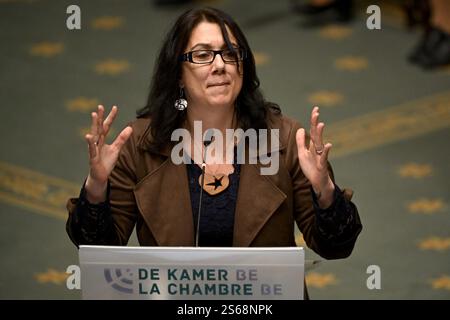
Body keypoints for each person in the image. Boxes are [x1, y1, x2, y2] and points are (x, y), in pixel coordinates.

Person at [66, 7, 362, 298]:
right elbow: (100, 250)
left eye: (231, 53)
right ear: (178, 74)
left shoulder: (285, 140)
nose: (220, 65)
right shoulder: (140, 144)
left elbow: (335, 247)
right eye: (203, 55)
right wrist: (96, 189)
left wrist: (324, 191)